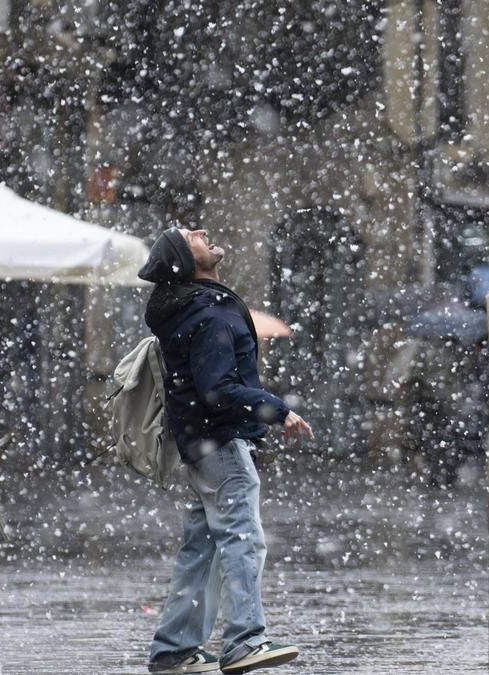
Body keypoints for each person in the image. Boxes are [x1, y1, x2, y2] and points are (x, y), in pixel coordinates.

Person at [139, 227, 313, 674]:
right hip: (220, 443)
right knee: (242, 538)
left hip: (197, 441)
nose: (202, 232)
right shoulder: (209, 314)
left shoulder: (188, 310)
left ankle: (175, 648)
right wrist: (276, 409)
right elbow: (218, 388)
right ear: (186, 260)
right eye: (191, 235)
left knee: (202, 546)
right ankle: (245, 640)